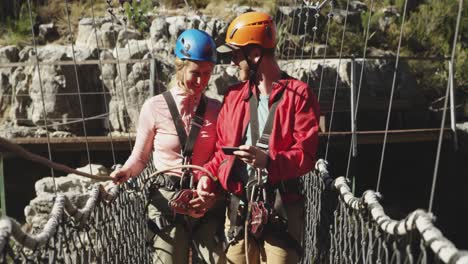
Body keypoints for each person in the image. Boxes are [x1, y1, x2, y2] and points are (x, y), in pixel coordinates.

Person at [199, 12, 320, 264]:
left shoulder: (299, 95)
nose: (232, 62)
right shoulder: (233, 96)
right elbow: (223, 152)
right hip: (239, 210)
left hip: (281, 211)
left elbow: (307, 156)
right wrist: (205, 178)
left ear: (255, 54)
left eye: (235, 55)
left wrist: (269, 161)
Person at [111, 29, 226, 264]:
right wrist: (125, 172)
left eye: (207, 74)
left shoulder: (217, 109)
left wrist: (211, 193)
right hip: (167, 203)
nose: (201, 81)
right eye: (195, 73)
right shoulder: (154, 107)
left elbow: (222, 156)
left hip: (205, 200)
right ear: (180, 67)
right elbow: (140, 158)